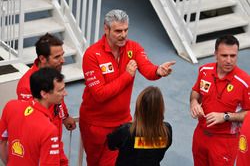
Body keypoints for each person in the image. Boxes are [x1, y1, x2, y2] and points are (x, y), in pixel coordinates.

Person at [79, 9, 175, 166]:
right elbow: (99, 94)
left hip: (121, 122)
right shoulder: (91, 55)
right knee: (94, 162)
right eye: (118, 31)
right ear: (106, 29)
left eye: (125, 30)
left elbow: (147, 68)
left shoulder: (134, 48)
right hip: (94, 124)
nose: (123, 35)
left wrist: (158, 71)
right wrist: (126, 76)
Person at [16, 33, 76, 165]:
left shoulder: (53, 74)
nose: (63, 60)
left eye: (62, 55)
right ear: (42, 58)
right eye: (57, 57)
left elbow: (58, 98)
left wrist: (64, 116)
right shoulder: (26, 86)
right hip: (40, 150)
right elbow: (28, 124)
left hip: (55, 142)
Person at [190, 35, 250, 166]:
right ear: (215, 54)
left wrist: (225, 116)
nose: (229, 60)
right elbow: (196, 92)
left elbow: (249, 114)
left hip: (225, 142)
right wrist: (194, 103)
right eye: (224, 55)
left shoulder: (245, 82)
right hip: (200, 135)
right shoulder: (204, 71)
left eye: (233, 56)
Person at [0, 67, 67, 165]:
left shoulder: (11, 106)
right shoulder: (49, 130)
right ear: (44, 94)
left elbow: (2, 143)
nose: (65, 93)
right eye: (60, 90)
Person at [107, 86, 172, 166]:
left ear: (139, 107)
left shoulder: (126, 131)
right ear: (160, 109)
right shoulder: (167, 130)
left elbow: (111, 144)